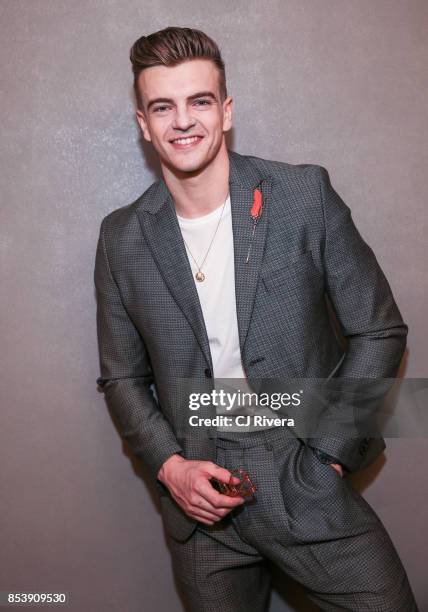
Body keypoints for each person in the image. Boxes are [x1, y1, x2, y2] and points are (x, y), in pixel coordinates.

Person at [94, 26, 418, 611]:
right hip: (200, 500)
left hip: (302, 469)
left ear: (226, 110)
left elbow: (380, 330)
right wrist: (171, 469)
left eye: (200, 101)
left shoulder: (303, 195)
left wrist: (326, 455)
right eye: (162, 107)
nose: (183, 121)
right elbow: (121, 377)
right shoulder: (122, 237)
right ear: (143, 124)